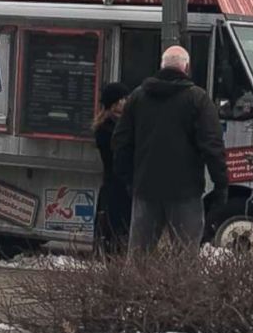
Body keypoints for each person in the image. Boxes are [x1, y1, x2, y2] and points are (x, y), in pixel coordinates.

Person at [113, 46, 228, 253]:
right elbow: (213, 145)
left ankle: (134, 287)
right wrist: (221, 185)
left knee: (139, 257)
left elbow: (121, 142)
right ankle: (179, 288)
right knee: (185, 257)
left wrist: (129, 179)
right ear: (187, 68)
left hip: (145, 188)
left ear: (161, 66)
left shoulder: (138, 97)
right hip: (186, 191)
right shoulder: (197, 98)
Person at [93, 82, 131, 256]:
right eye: (122, 99)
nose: (126, 101)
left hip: (115, 185)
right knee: (115, 229)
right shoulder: (108, 128)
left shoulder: (117, 124)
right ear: (114, 103)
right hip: (115, 186)